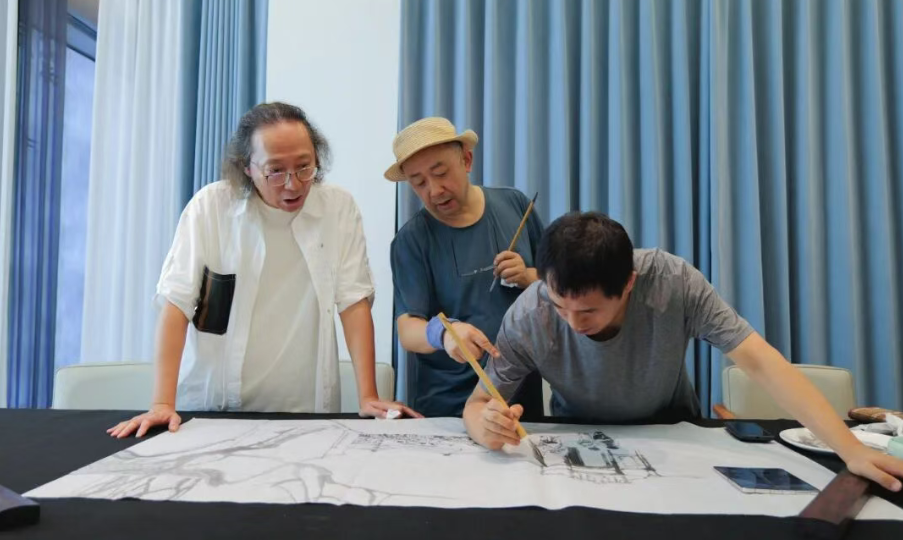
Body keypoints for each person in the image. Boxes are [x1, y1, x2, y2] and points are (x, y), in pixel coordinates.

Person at [463, 212, 903, 492]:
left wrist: (850, 449)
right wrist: (485, 426)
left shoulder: (672, 283)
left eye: (589, 311)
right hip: (578, 442)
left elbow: (761, 362)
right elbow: (478, 403)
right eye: (561, 307)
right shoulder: (531, 313)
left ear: (629, 284)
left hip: (675, 435)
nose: (573, 324)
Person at [109, 102, 418, 439]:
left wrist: (368, 395)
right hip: (215, 408)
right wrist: (161, 403)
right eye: (276, 171)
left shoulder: (337, 209)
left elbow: (354, 302)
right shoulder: (211, 208)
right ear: (247, 168)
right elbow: (176, 304)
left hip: (306, 411)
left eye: (304, 167)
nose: (293, 184)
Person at [387, 117, 544, 418]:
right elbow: (408, 330)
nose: (434, 190)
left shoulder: (514, 204)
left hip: (519, 395)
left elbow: (560, 286)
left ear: (467, 160)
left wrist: (528, 276)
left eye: (441, 173)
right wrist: (445, 334)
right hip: (448, 405)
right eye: (419, 183)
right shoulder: (411, 241)